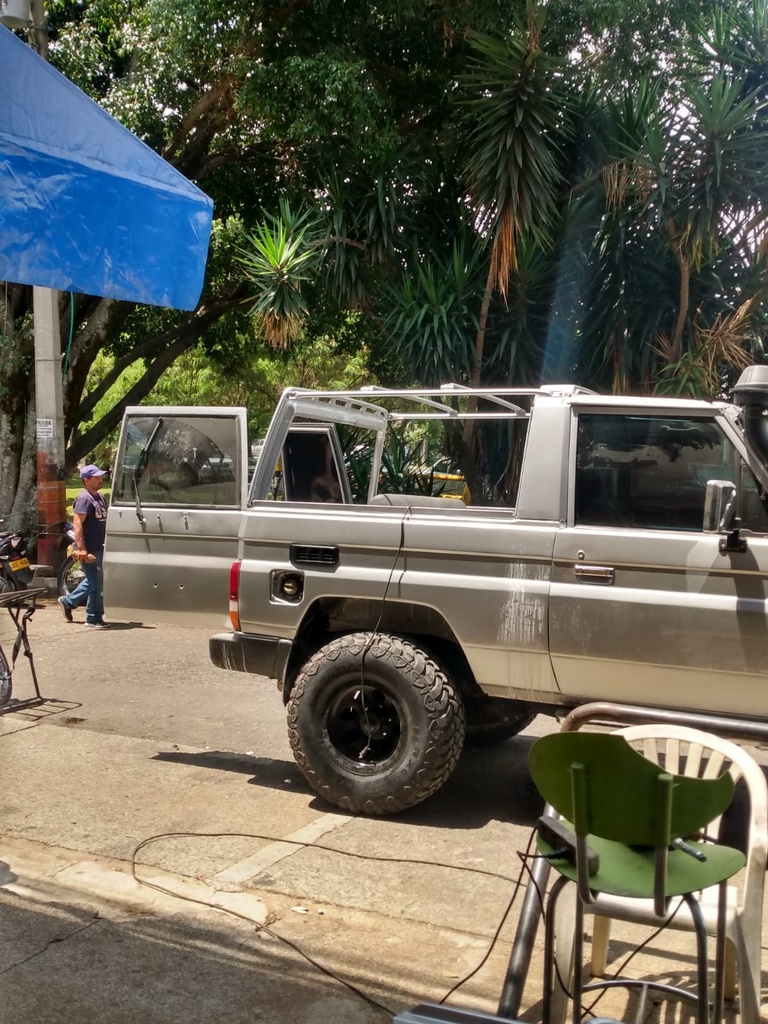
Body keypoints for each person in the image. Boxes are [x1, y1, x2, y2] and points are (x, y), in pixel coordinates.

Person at [58, 464, 109, 628]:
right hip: (88, 548)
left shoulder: (100, 497)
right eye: (96, 478)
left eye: (101, 476)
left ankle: (68, 601)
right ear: (86, 480)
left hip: (99, 546)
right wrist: (81, 548)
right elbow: (77, 524)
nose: (100, 479)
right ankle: (93, 617)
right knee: (96, 584)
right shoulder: (84, 499)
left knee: (95, 580)